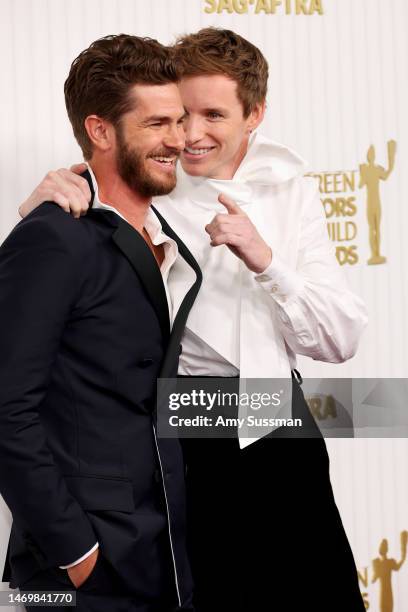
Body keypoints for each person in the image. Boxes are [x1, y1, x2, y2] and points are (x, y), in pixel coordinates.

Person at [17, 28, 367, 611]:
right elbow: (84, 208)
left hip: (278, 422)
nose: (192, 134)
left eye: (213, 115)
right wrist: (45, 196)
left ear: (253, 115)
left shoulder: (290, 190)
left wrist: (267, 261)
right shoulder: (149, 172)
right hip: (182, 432)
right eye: (181, 116)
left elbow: (342, 338)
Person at [0, 34, 202, 612]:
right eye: (157, 123)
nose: (179, 139)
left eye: (180, 120)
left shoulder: (171, 235)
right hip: (75, 569)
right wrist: (75, 551)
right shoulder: (52, 238)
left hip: (158, 548)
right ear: (100, 131)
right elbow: (5, 408)